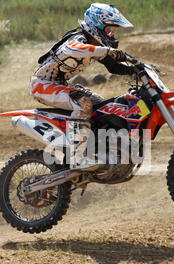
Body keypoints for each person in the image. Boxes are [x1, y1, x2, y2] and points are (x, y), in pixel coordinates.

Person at [30, 3, 136, 170]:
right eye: (110, 30)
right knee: (84, 103)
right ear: (96, 26)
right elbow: (72, 48)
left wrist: (138, 69)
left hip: (60, 85)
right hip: (43, 85)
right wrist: (106, 50)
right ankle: (76, 158)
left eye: (114, 31)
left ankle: (98, 151)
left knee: (104, 106)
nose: (112, 35)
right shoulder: (79, 40)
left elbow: (114, 67)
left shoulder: (95, 46)